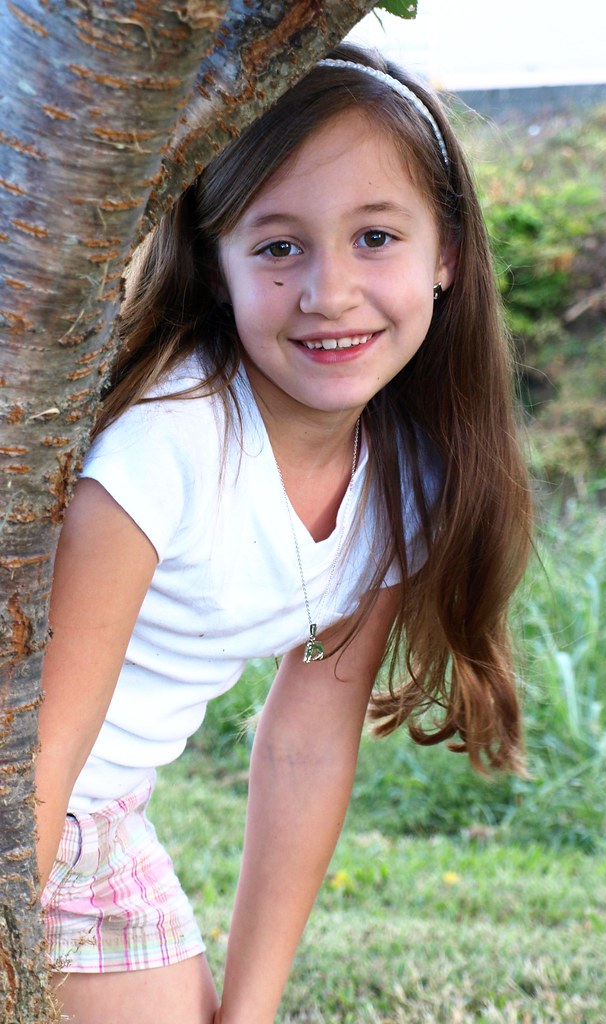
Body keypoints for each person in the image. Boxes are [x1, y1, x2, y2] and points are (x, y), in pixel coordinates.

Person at [36, 42, 532, 1024]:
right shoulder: (166, 446)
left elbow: (307, 741)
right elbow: (42, 745)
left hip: (102, 822)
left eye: (375, 237)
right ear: (215, 266)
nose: (328, 291)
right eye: (278, 247)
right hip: (27, 802)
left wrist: (249, 1010)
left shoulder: (407, 483)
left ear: (446, 253)